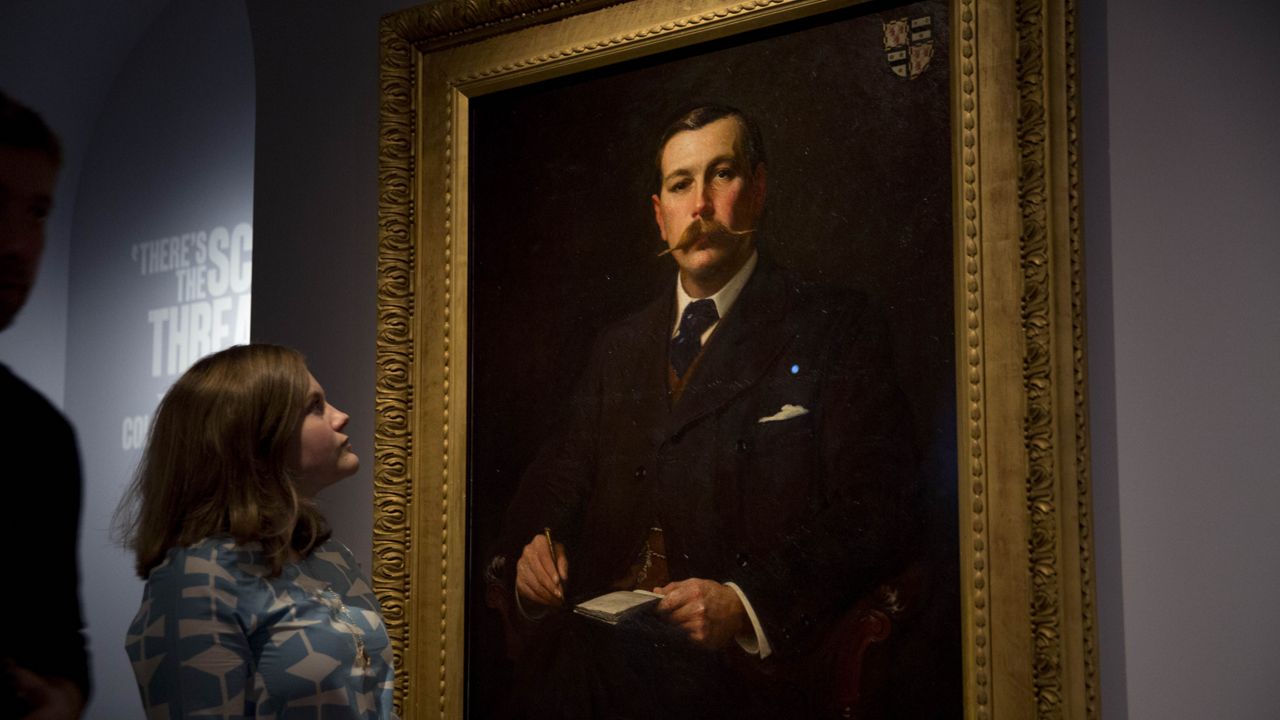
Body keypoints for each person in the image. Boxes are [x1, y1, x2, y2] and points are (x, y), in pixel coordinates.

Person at [495, 105, 921, 717]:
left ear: (759, 188)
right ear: (658, 214)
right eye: (680, 184)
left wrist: (744, 602)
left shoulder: (835, 328)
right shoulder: (619, 348)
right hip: (589, 667)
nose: (700, 207)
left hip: (741, 677)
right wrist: (536, 552)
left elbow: (878, 506)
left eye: (721, 175)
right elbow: (552, 483)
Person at [117, 344, 395, 718]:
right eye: (315, 407)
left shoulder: (332, 557)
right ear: (255, 438)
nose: (341, 417)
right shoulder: (198, 579)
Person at [0, 89, 90, 720]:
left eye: (36, 211)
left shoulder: (39, 435)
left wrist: (59, 698)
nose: (15, 242)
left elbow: (63, 645)